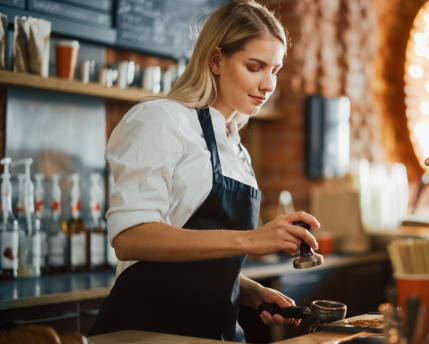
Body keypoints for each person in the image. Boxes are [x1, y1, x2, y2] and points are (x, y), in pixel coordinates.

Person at [88, 1, 320, 341]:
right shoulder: (161, 120)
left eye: (275, 70)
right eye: (255, 67)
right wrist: (251, 239)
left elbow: (193, 258)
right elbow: (130, 238)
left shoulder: (236, 148)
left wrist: (246, 289)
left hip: (217, 334)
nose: (268, 84)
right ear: (216, 60)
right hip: (148, 331)